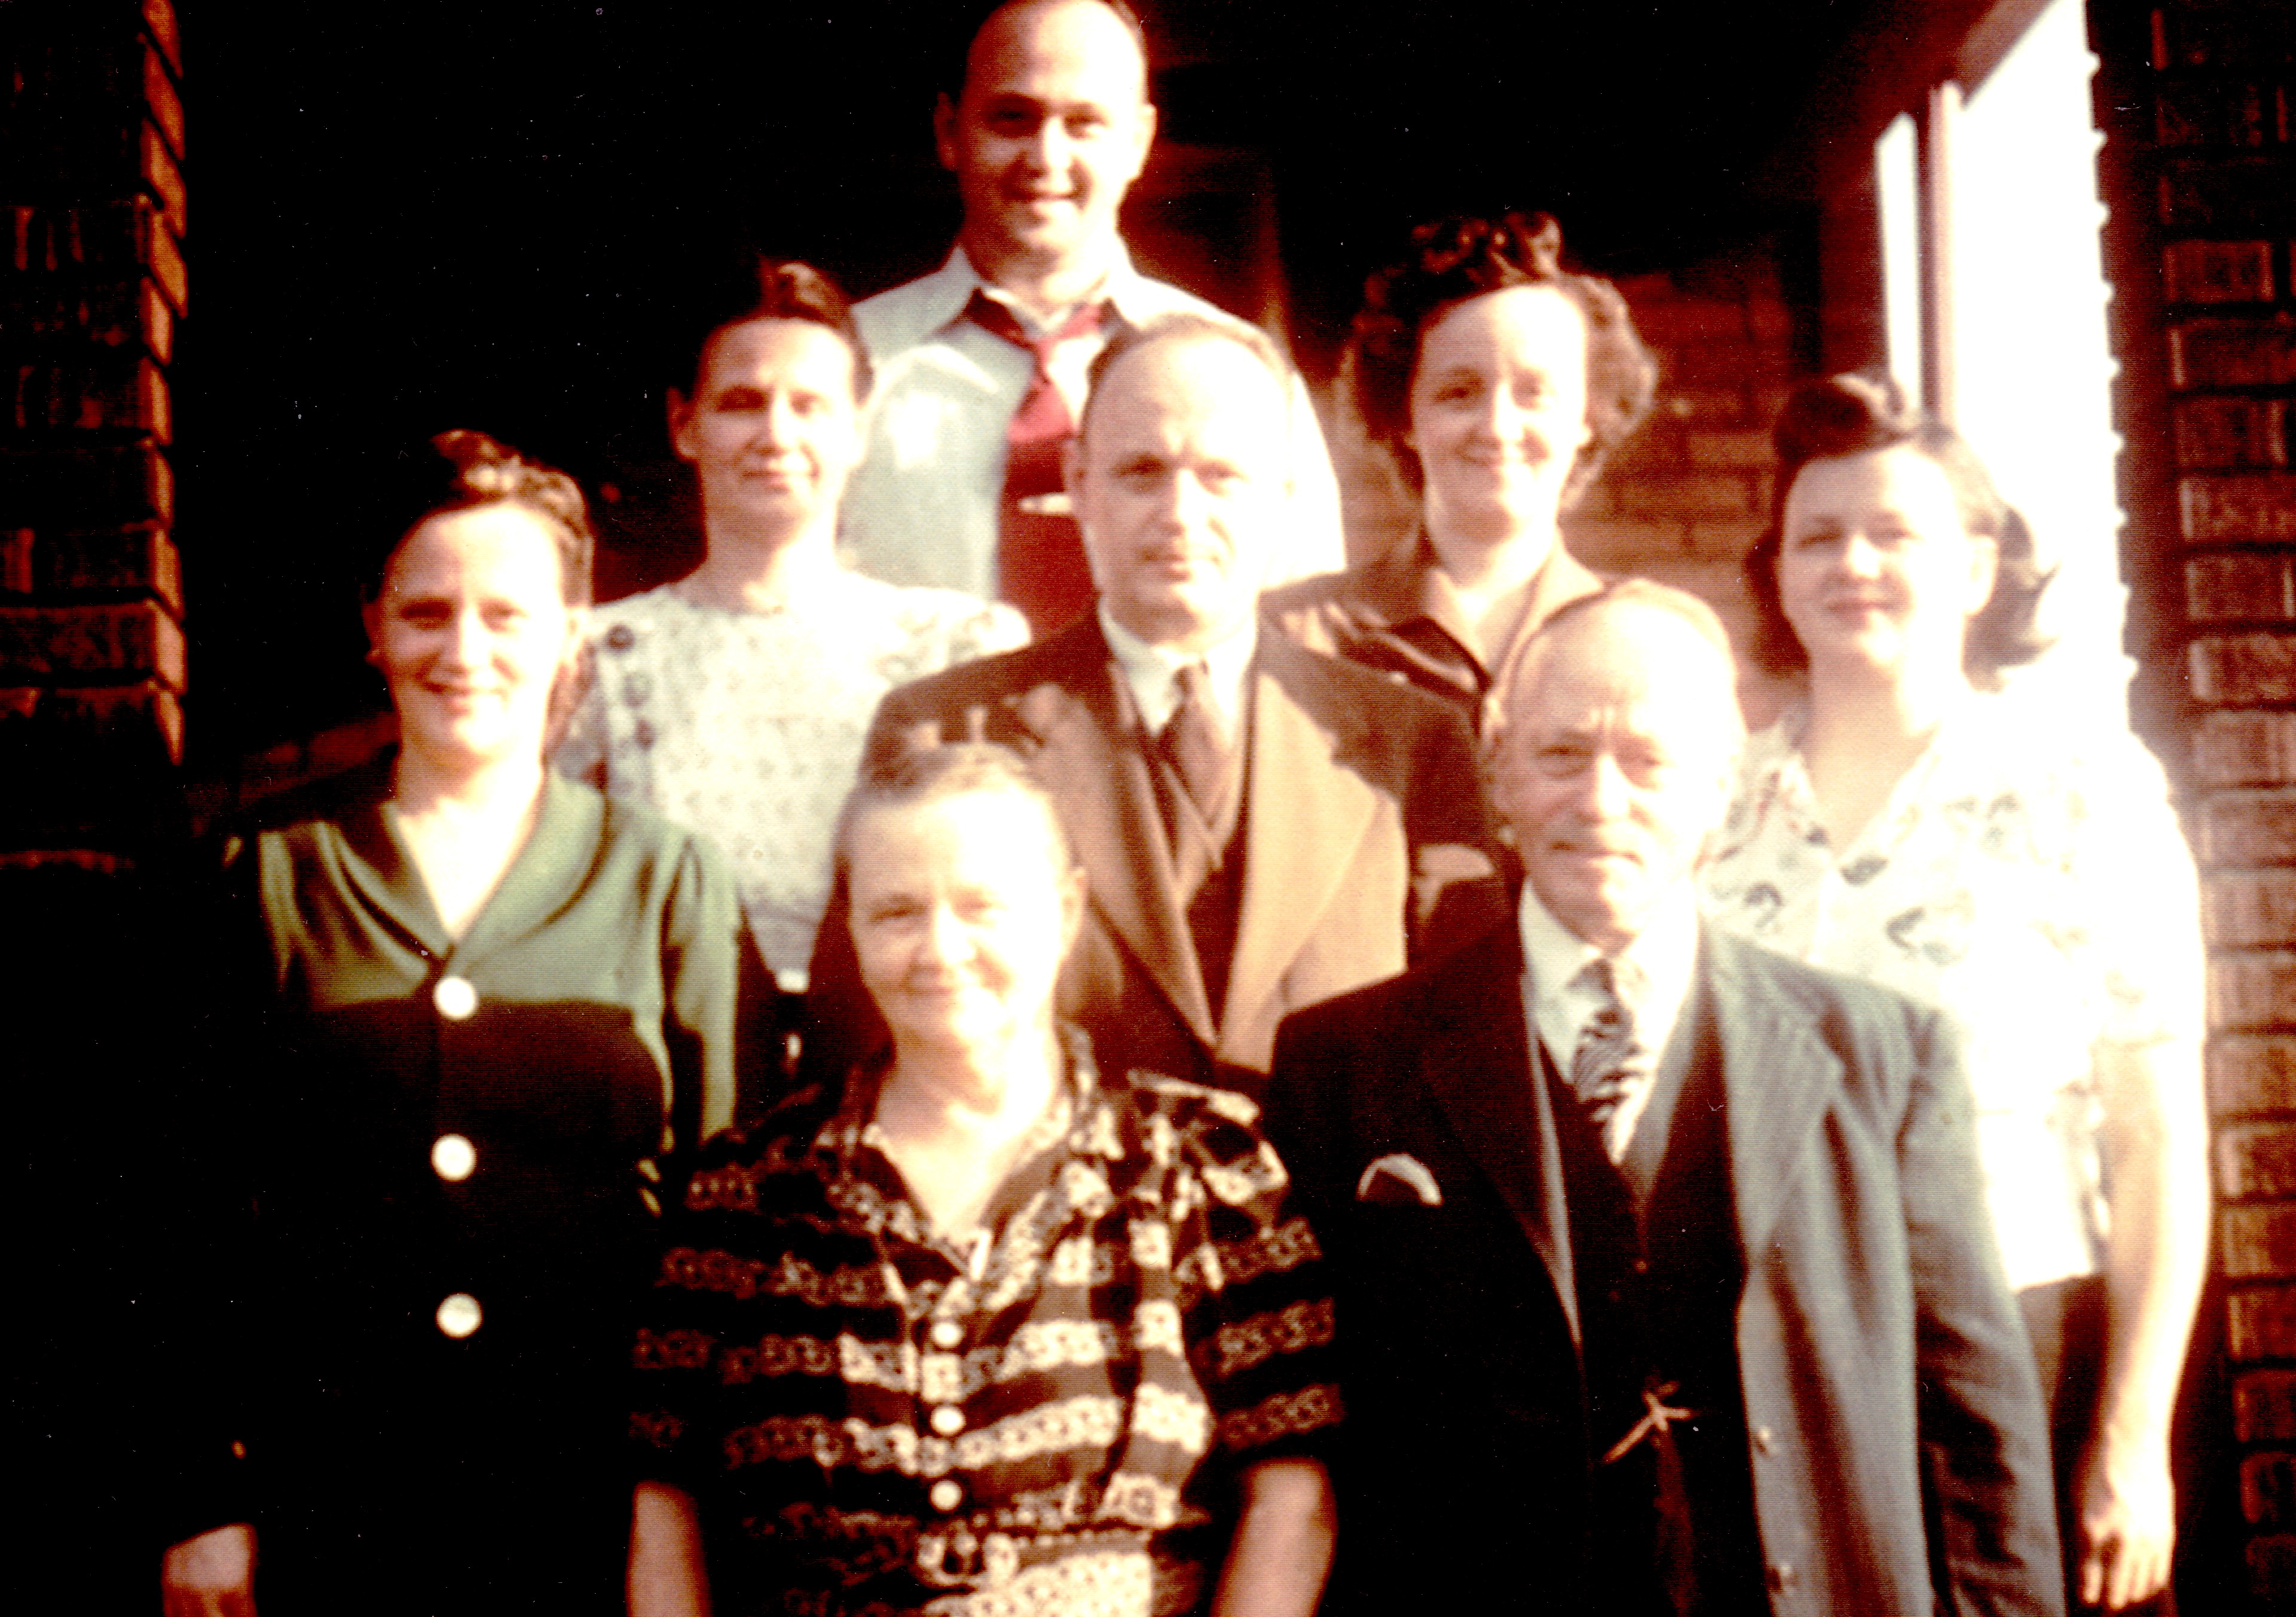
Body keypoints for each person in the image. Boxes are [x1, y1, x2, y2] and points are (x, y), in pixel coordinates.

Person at [1266, 580, 2063, 1615]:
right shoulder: (1345, 1064)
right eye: (1560, 755)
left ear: (1723, 797)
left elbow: (1973, 1426)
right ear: (1500, 774)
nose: (1600, 801)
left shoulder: (1881, 1055)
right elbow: (1305, 1435)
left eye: (1647, 763)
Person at [155, 432, 772, 1616]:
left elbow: (724, 1223)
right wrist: (201, 1494)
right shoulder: (268, 869)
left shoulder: (668, 877)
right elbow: (178, 1206)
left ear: (569, 636)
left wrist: (681, 1498)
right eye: (428, 612)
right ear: (374, 625)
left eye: (508, 613)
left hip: (595, 1497)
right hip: (330, 1495)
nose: (466, 650)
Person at [1701, 373, 2209, 1615]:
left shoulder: (2078, 788)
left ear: (1978, 566)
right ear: (1777, 571)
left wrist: (2132, 1436)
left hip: (2026, 1337)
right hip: (1783, 1351)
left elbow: (2153, 1135)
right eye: (1818, 535)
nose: (1851, 562)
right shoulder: (1715, 809)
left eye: (1895, 532)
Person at [626, 742, 1340, 1617]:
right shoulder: (746, 1194)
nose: (940, 948)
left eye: (982, 906)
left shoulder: (1201, 1167)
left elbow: (1291, 1499)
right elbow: (664, 1507)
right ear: (849, 927)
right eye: (896, 911)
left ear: (1067, 909)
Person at [808, 313, 1500, 1097]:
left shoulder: (1412, 744)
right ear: (1079, 484)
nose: (1179, 513)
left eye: (1220, 476)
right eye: (1141, 471)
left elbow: (1470, 1062)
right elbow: (859, 1062)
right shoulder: (942, 730)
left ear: (1282, 496)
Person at [554, 261, 1025, 1008]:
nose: (776, 434)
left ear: (858, 430)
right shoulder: (600, 653)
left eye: (809, 406)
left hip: (884, 1035)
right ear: (685, 426)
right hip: (669, 1034)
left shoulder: (953, 646)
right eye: (742, 404)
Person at [841, 0, 1344, 635]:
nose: (1045, 158)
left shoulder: (1241, 372)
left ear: (1137, 142)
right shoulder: (839, 366)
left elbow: (1305, 635)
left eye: (1083, 124)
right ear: (949, 131)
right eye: (1011, 118)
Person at [1265, 211, 1656, 731]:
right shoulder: (1294, 636)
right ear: (1403, 415)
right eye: (1459, 393)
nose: (1497, 427)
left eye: (1533, 393)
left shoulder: (1650, 635)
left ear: (1587, 416)